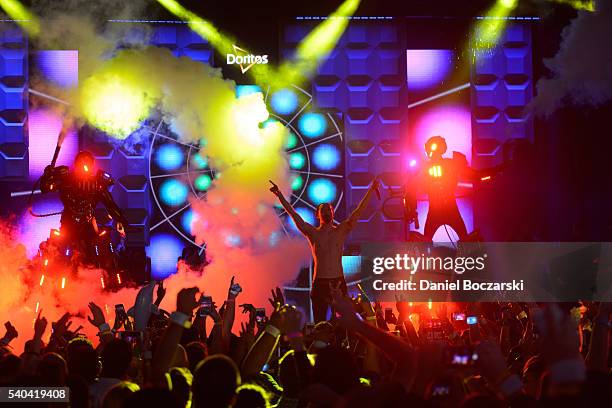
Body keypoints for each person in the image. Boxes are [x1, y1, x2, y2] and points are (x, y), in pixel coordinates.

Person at [269, 178, 379, 322]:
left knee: (344, 323)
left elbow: (358, 212)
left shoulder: (341, 230)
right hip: (320, 284)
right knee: (320, 322)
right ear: (318, 214)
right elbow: (295, 216)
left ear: (333, 213)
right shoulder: (312, 232)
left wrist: (371, 190)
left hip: (338, 283)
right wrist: (280, 196)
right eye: (323, 209)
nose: (327, 211)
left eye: (329, 209)